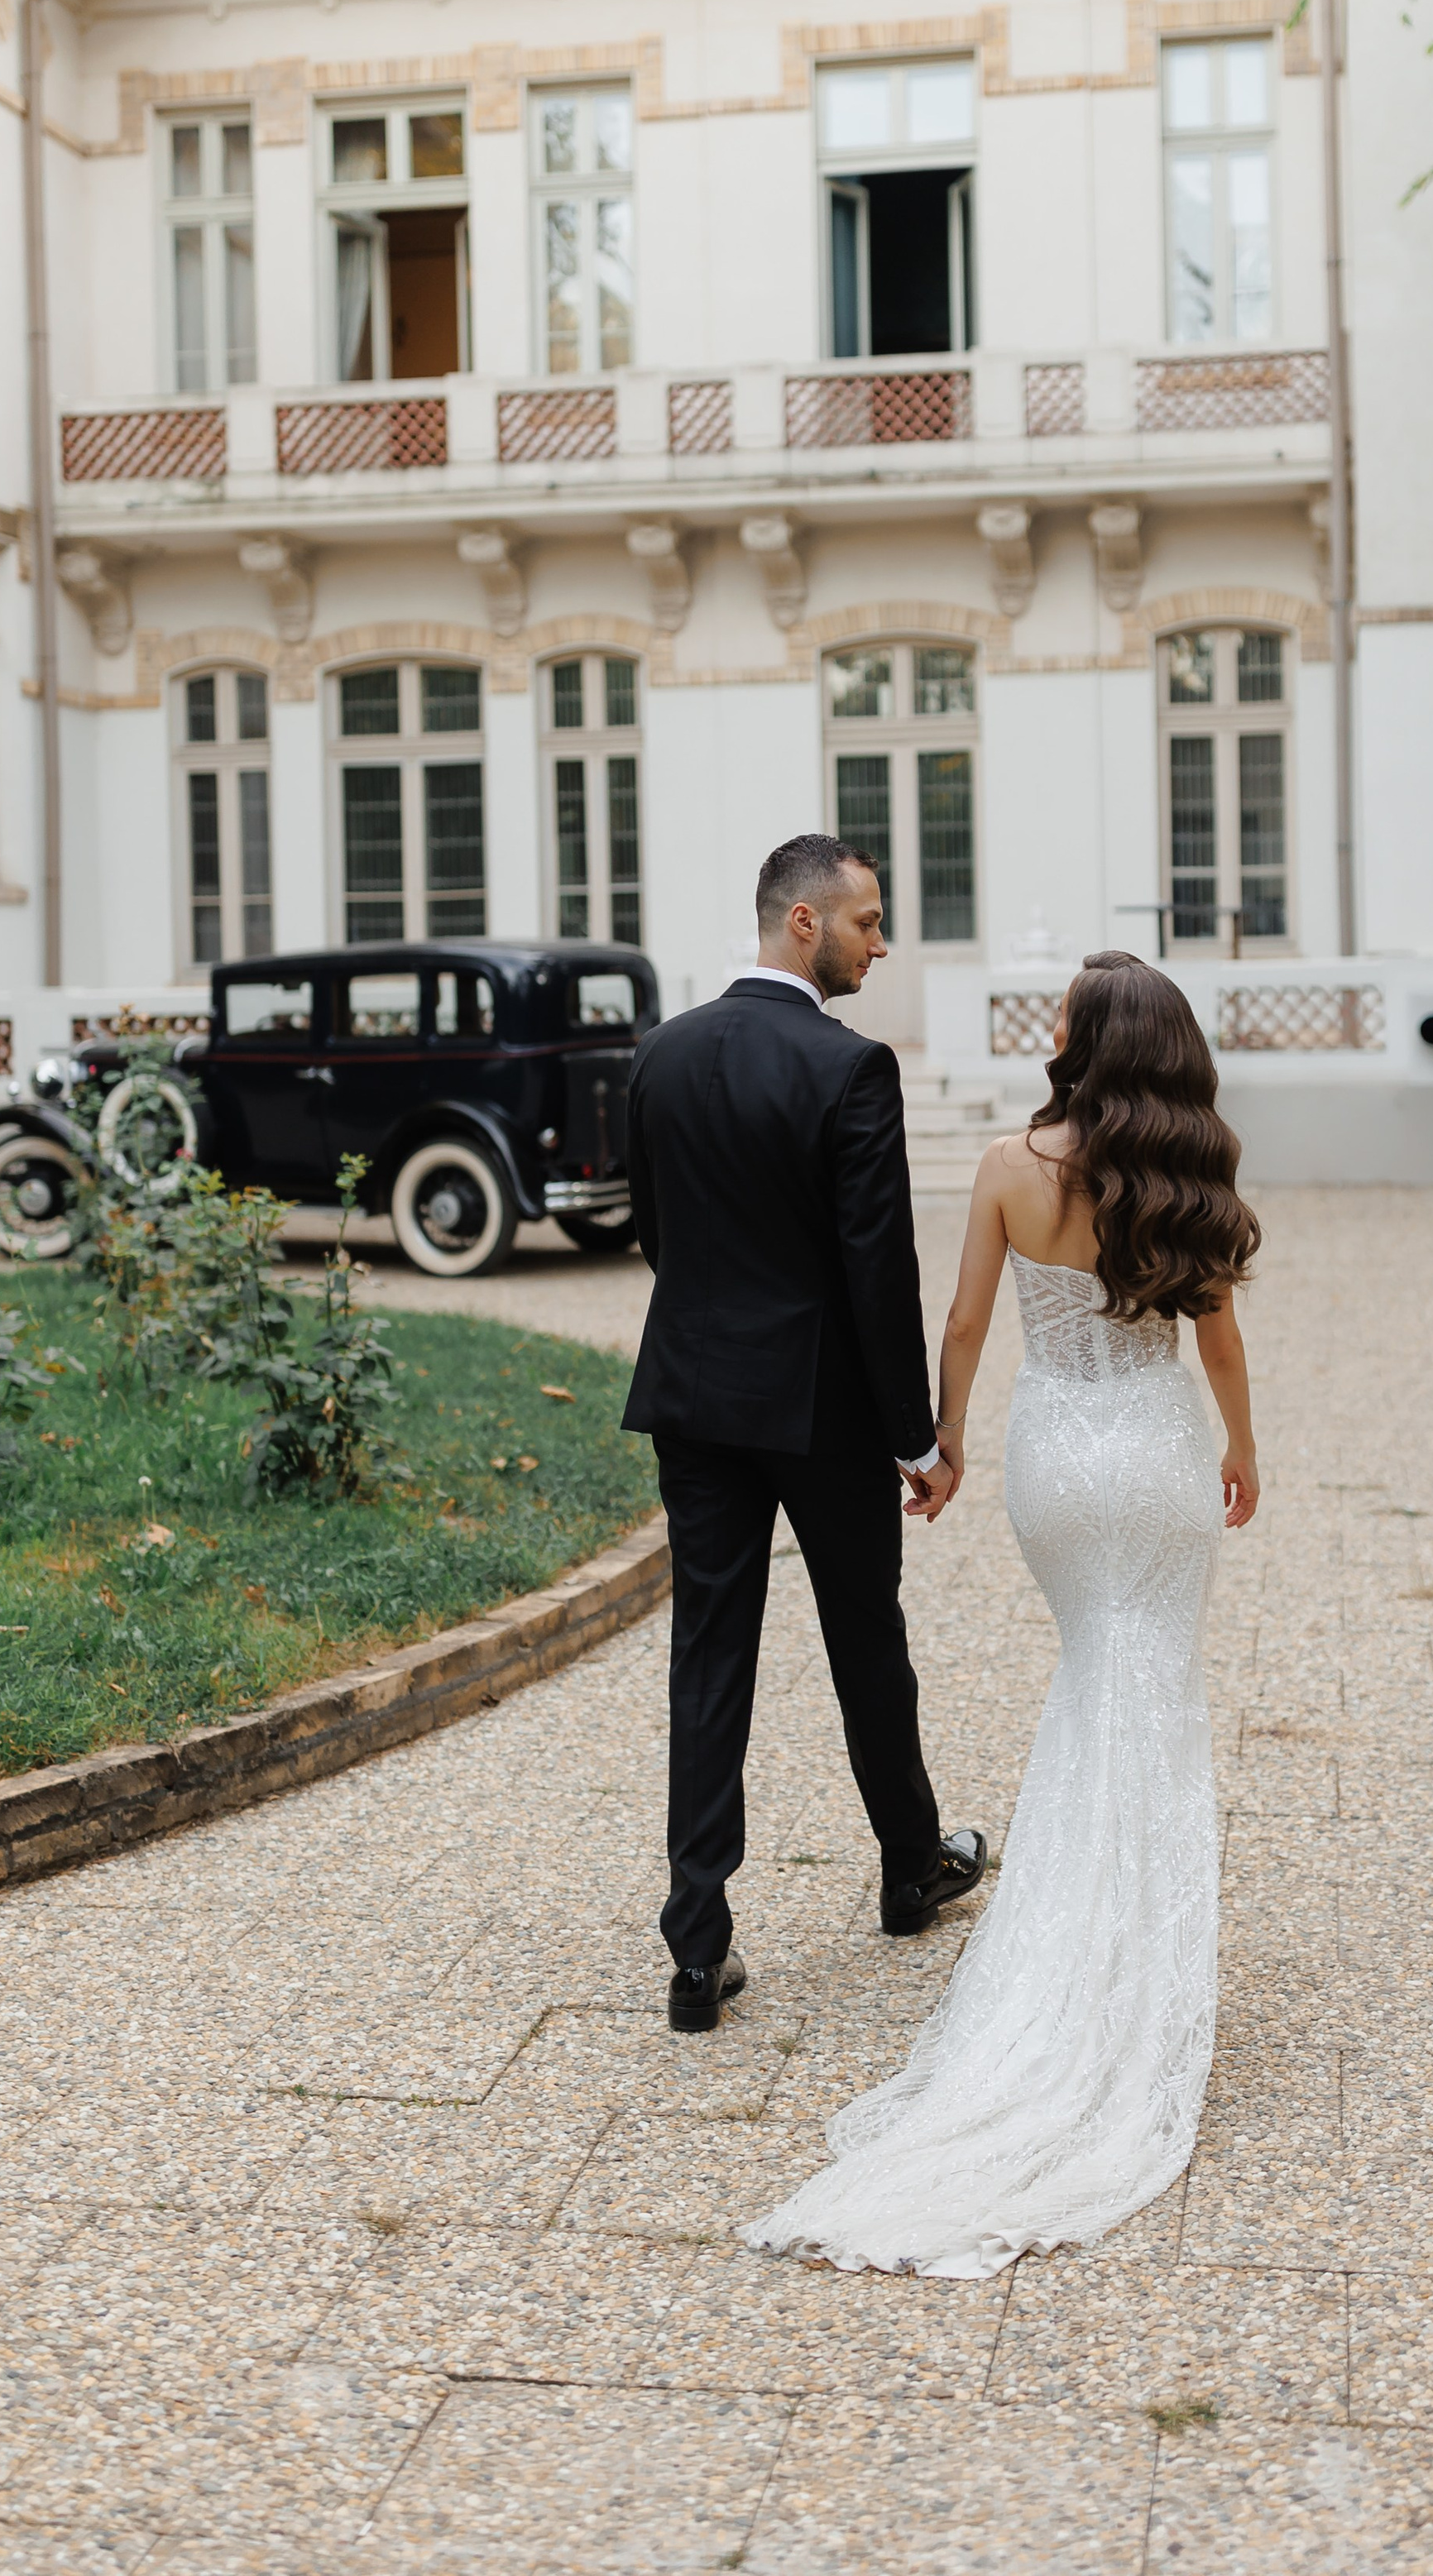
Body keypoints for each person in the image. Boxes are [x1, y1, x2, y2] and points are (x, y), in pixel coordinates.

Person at [746, 950, 1261, 2276]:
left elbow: (968, 1321)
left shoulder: (1005, 1165)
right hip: (1156, 1455)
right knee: (1152, 1689)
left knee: (1094, 1677)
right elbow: (1216, 1338)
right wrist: (1241, 1450)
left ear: (1085, 1042)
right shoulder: (1194, 1166)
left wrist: (945, 1443)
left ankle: (1077, 1958)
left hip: (1059, 1465)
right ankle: (1136, 1963)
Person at [623, 833, 988, 2034]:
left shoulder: (662, 1054)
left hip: (693, 1401)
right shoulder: (850, 1071)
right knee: (863, 1639)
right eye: (868, 923)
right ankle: (909, 1867)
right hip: (820, 1410)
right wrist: (916, 1436)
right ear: (803, 925)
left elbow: (654, 1234)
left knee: (708, 1654)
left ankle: (696, 1947)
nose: (882, 945)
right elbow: (878, 1273)